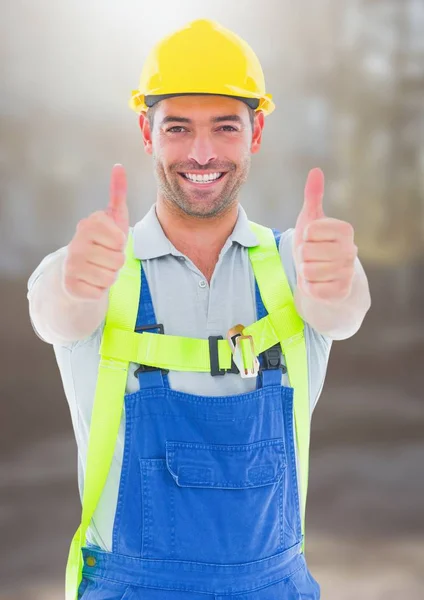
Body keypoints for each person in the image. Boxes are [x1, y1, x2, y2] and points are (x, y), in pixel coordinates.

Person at [27, 18, 371, 600]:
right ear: (146, 131)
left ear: (256, 132)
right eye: (179, 128)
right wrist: (78, 286)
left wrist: (337, 286)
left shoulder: (298, 264)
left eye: (225, 127)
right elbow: (56, 313)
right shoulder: (94, 265)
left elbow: (343, 312)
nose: (202, 152)